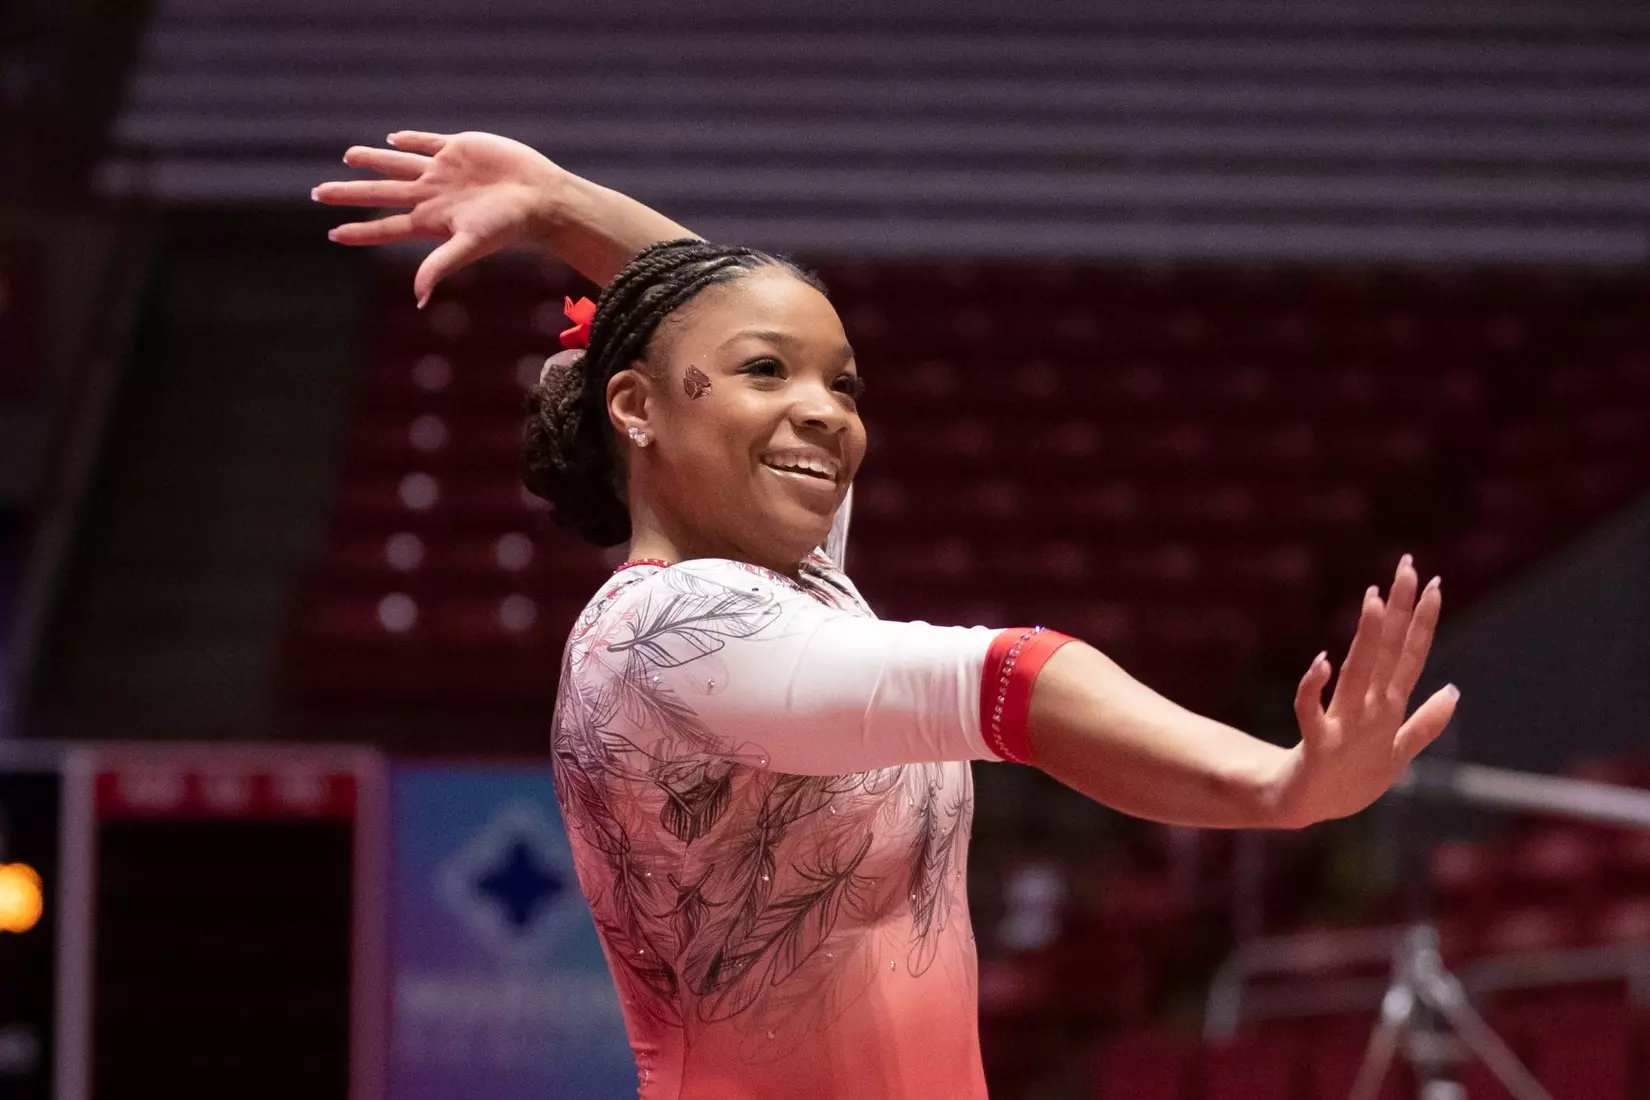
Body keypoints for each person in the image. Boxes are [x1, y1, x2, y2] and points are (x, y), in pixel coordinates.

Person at [315, 131, 1459, 1100]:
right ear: (637, 408)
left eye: (844, 385)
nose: (824, 414)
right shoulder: (673, 634)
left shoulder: (798, 580)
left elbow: (698, 314)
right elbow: (1017, 676)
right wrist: (1275, 785)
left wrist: (562, 206)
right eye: (771, 373)